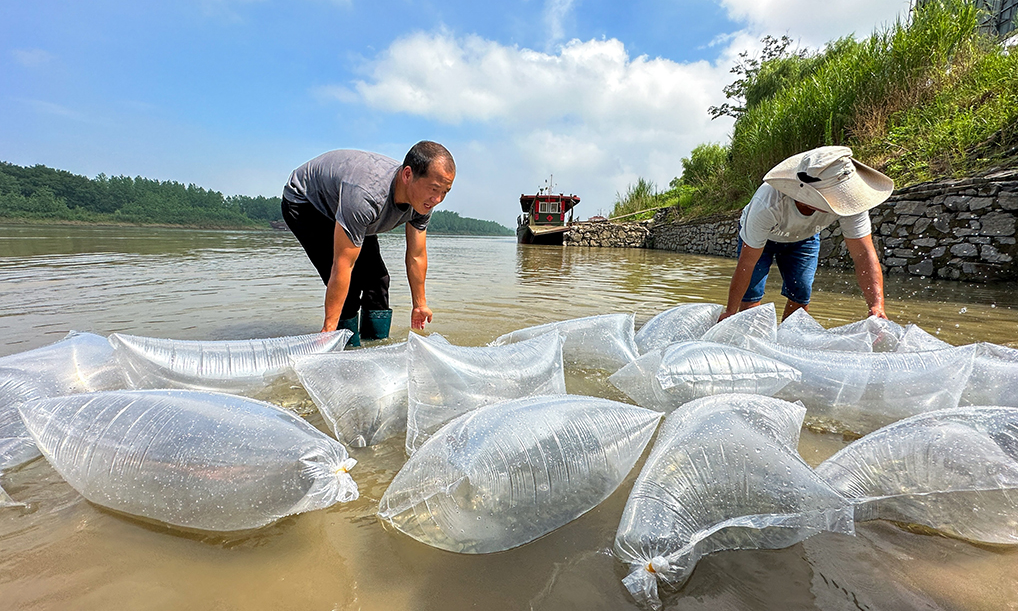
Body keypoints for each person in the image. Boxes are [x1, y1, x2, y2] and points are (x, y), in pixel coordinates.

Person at [281, 141, 455, 345]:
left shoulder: (423, 201)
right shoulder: (367, 196)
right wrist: (328, 328)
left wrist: (420, 304)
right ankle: (343, 345)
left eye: (445, 192)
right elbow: (342, 265)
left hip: (352, 206)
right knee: (351, 286)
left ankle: (376, 345)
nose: (438, 199)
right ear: (408, 175)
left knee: (378, 280)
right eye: (434, 189)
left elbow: (416, 255)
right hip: (308, 203)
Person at [720, 145, 893, 322]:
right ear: (807, 196)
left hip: (804, 238)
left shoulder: (852, 200)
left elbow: (863, 254)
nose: (842, 202)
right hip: (765, 239)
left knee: (801, 292)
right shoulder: (767, 204)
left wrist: (876, 305)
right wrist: (730, 312)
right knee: (752, 293)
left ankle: (787, 341)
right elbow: (747, 263)